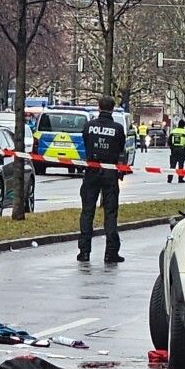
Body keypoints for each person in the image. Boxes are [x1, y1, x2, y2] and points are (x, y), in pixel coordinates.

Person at [77, 96, 126, 264]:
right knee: (110, 213)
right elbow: (121, 149)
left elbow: (85, 143)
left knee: (87, 211)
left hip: (91, 171)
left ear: (98, 107)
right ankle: (111, 253)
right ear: (113, 109)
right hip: (110, 172)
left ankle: (84, 252)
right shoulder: (118, 128)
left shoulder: (89, 126)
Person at [167, 119, 185, 183]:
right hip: (182, 151)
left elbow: (169, 142)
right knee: (181, 165)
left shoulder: (173, 131)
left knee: (172, 166)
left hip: (174, 150)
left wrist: (172, 148)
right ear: (183, 125)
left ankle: (169, 179)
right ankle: (180, 179)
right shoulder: (184, 132)